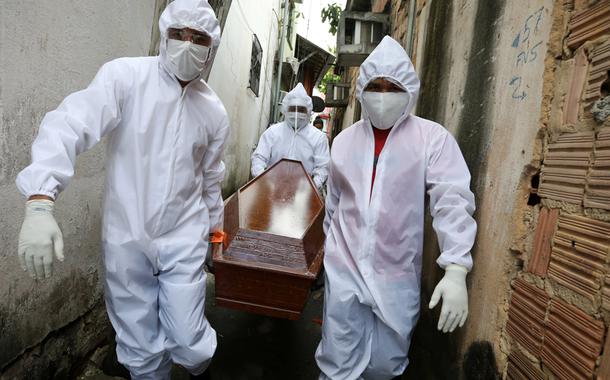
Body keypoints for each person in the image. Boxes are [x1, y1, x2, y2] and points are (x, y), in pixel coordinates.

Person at [15, 1, 228, 379]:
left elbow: (210, 178)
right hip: (127, 237)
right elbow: (70, 123)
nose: (186, 44)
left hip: (184, 236)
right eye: (178, 34)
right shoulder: (126, 78)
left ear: (210, 47)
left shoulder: (213, 111)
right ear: (164, 35)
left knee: (189, 341)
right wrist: (40, 199)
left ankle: (201, 367)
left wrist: (216, 233)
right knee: (139, 347)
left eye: (198, 38)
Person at [315, 36, 477, 380]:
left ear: (410, 90)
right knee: (337, 362)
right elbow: (335, 204)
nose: (383, 95)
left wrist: (456, 268)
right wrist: (327, 253)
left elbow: (452, 199)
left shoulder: (431, 139)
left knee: (386, 365)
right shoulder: (343, 142)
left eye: (393, 86)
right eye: (375, 86)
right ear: (362, 89)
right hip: (344, 269)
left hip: (397, 272)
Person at [251, 83, 330, 191]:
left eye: (301, 110)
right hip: (272, 190)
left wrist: (311, 189)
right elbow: (259, 158)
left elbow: (323, 167)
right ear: (285, 109)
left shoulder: (318, 137)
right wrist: (265, 182)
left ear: (308, 111)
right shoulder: (272, 132)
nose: (296, 113)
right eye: (293, 109)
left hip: (303, 195)